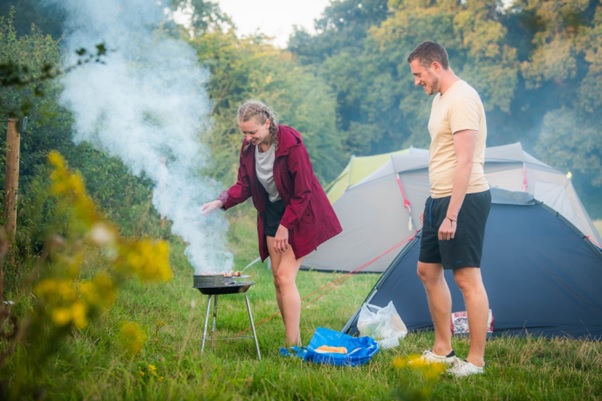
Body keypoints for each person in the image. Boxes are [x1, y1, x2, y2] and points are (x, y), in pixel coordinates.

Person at [200, 100, 342, 346]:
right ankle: (294, 338)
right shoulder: (248, 149)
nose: (248, 138)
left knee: (286, 277)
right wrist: (220, 202)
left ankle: (292, 347)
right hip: (272, 213)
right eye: (244, 132)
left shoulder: (290, 144)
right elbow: (244, 185)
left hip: (299, 212)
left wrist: (285, 227)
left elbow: (303, 191)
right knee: (278, 278)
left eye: (252, 132)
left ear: (267, 123)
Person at [406, 41, 492, 377]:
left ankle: (475, 361)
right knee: (427, 271)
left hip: (465, 199)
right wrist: (437, 204)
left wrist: (453, 213)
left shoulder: (463, 98)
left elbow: (465, 160)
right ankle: (443, 349)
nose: (417, 82)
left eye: (418, 74)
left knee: (466, 279)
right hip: (440, 197)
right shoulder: (441, 99)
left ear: (435, 65)